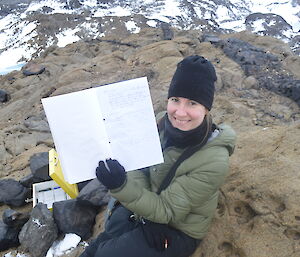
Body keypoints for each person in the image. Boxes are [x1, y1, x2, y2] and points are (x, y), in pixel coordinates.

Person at [80, 55, 236, 257]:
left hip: (179, 228)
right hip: (150, 206)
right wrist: (147, 217)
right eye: (175, 100)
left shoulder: (214, 160)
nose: (180, 112)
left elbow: (167, 211)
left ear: (206, 109)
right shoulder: (160, 125)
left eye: (192, 103)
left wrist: (120, 185)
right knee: (102, 241)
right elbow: (141, 168)